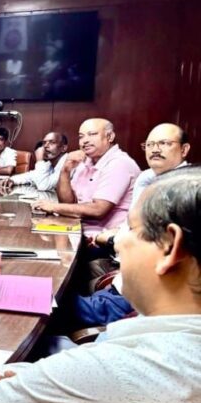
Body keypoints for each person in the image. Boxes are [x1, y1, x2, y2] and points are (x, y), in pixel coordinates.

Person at [0, 166, 201, 403]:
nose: (118, 242)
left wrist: (24, 374)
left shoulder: (118, 371)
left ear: (169, 246)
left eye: (131, 228)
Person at [75, 123, 191, 326]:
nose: (155, 149)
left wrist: (111, 239)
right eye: (150, 144)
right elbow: (131, 225)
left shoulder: (184, 192)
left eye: (164, 143)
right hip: (124, 275)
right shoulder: (147, 177)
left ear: (184, 149)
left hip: (140, 292)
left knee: (56, 302)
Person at [32, 118, 141, 235]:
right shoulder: (85, 162)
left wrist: (53, 207)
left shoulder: (119, 163)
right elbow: (69, 203)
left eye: (92, 134)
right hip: (79, 229)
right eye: (81, 137)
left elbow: (98, 210)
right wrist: (65, 170)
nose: (85, 141)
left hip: (105, 238)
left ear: (109, 137)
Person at [2, 132, 69, 190]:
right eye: (44, 143)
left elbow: (43, 186)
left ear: (64, 148)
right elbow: (31, 176)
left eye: (52, 142)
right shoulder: (50, 164)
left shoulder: (68, 163)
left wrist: (39, 160)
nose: (45, 146)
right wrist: (12, 180)